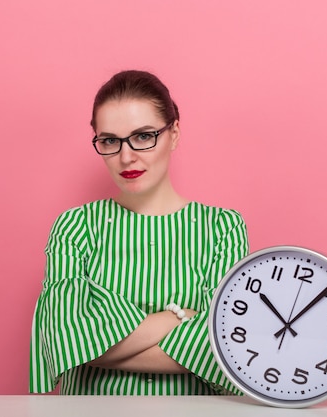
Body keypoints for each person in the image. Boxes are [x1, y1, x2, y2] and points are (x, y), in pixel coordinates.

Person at [29, 70, 249, 395]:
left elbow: (225, 350)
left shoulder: (223, 228)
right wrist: (177, 319)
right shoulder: (74, 227)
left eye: (144, 136)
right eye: (109, 141)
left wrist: (92, 343)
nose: (126, 156)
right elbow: (63, 338)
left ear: (173, 133)